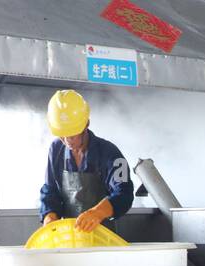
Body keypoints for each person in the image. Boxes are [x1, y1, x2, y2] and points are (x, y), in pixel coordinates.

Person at [39, 90, 134, 233]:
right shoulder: (56, 150)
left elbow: (124, 193)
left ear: (86, 124)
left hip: (104, 238)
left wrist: (97, 212)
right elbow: (50, 190)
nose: (67, 141)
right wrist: (49, 216)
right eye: (62, 135)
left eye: (72, 135)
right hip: (70, 237)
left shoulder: (109, 152)